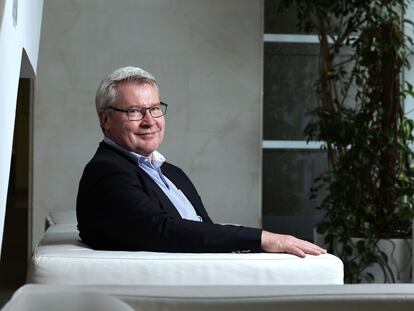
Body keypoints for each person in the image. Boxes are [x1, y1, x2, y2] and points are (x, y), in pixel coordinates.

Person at [76, 66, 326, 257]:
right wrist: (262, 238)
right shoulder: (106, 173)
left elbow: (201, 229)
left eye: (154, 108)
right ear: (106, 120)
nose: (149, 120)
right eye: (134, 111)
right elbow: (162, 231)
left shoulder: (171, 173)